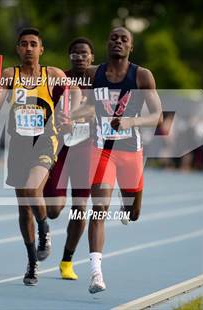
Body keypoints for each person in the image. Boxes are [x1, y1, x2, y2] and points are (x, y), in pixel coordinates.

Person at [68, 27, 163, 293]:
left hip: (131, 150)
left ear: (131, 47)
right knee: (99, 209)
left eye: (124, 40)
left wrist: (132, 120)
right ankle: (96, 273)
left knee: (132, 214)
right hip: (102, 150)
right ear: (107, 43)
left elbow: (157, 116)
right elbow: (88, 106)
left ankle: (129, 202)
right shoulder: (93, 74)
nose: (118, 42)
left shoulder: (141, 75)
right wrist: (74, 115)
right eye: (113, 38)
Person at [0, 28, 80, 286]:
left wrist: (68, 115)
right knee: (23, 209)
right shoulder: (9, 75)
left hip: (45, 142)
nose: (28, 48)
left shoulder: (53, 75)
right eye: (23, 44)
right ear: (18, 49)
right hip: (18, 144)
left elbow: (73, 94)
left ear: (41, 49)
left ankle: (45, 231)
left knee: (32, 189)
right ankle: (31, 263)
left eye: (33, 44)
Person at [43, 37, 95, 280]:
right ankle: (44, 229)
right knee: (53, 210)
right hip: (60, 148)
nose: (80, 56)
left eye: (84, 53)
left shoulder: (100, 81)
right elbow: (44, 108)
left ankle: (67, 261)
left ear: (92, 57)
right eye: (75, 52)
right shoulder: (59, 80)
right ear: (69, 56)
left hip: (87, 149)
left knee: (80, 209)